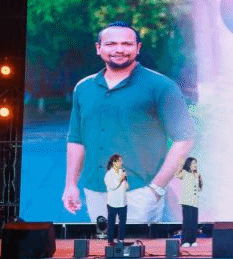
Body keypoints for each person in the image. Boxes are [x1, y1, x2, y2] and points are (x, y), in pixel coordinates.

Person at [62, 21, 195, 224]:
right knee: (103, 244)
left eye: (126, 44)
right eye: (111, 44)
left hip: (139, 192)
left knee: (138, 244)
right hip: (95, 190)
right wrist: (71, 185)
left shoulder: (161, 86)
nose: (119, 49)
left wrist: (156, 189)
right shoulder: (84, 88)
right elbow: (76, 140)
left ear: (138, 48)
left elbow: (184, 140)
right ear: (98, 48)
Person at [175, 157, 202, 247]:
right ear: (189, 164)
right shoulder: (184, 173)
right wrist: (180, 165)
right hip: (187, 201)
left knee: (194, 222)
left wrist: (198, 178)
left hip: (195, 202)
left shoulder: (197, 174)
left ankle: (193, 240)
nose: (195, 165)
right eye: (193, 163)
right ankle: (185, 241)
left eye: (196, 163)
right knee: (187, 222)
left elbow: (199, 188)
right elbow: (177, 175)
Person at [104, 154, 129, 245]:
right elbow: (112, 186)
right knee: (111, 223)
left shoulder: (121, 172)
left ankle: (121, 239)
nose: (121, 163)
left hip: (123, 202)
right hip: (113, 203)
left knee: (122, 222)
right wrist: (120, 179)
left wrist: (125, 181)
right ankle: (110, 240)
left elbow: (125, 186)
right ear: (114, 163)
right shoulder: (109, 174)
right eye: (119, 161)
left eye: (121, 161)